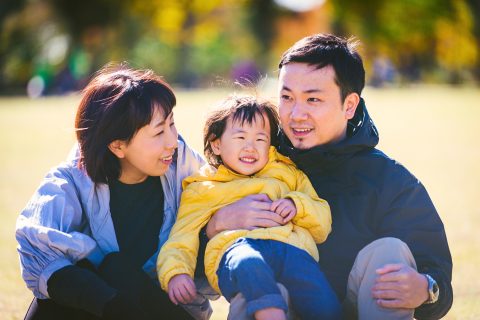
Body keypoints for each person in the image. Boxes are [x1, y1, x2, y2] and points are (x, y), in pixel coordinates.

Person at [204, 34, 453, 319]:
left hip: (360, 307)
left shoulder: (390, 181)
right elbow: (192, 262)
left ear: (349, 105)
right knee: (252, 295)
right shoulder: (252, 161)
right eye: (286, 97)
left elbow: (438, 281)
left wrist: (426, 288)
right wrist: (217, 224)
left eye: (313, 99)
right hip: (280, 307)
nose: (296, 114)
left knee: (388, 251)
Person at [15, 65, 213, 320]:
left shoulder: (187, 171)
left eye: (172, 124)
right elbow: (36, 248)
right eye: (159, 131)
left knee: (116, 268)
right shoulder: (72, 180)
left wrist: (220, 223)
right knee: (63, 290)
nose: (173, 141)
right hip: (108, 307)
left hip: (166, 308)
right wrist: (114, 307)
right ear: (117, 146)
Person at [157, 96, 342, 320]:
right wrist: (176, 272)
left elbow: (323, 222)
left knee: (324, 301)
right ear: (216, 144)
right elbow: (181, 236)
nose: (250, 147)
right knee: (249, 263)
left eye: (260, 139)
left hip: (291, 251)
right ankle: (270, 314)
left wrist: (297, 204)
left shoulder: (288, 174)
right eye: (240, 137)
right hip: (235, 252)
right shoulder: (202, 188)